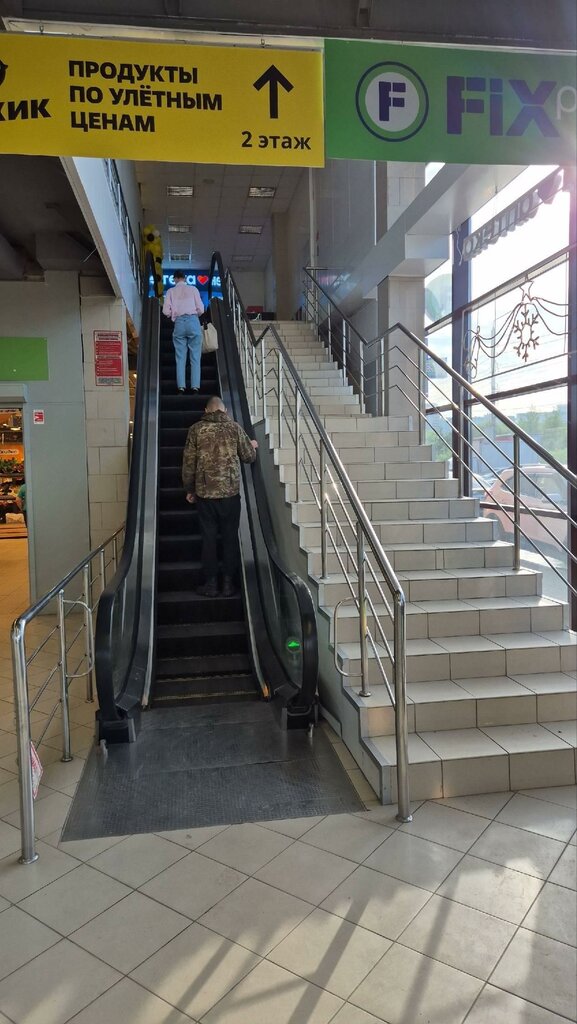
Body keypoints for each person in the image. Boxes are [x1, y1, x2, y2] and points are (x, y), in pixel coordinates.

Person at [182, 396, 258, 597]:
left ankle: (211, 584)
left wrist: (190, 489)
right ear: (224, 411)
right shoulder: (234, 428)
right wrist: (251, 445)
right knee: (230, 538)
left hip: (205, 495)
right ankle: (228, 584)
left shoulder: (196, 430)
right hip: (230, 495)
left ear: (206, 410)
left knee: (208, 539)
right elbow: (249, 457)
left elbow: (189, 463)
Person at [162, 270, 204, 393]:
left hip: (179, 323)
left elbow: (165, 311)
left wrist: (171, 315)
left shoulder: (170, 291)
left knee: (180, 357)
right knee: (195, 356)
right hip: (193, 322)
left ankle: (181, 386)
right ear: (185, 279)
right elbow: (201, 309)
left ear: (175, 279)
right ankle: (195, 386)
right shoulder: (193, 289)